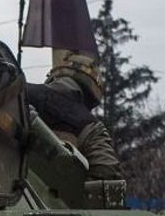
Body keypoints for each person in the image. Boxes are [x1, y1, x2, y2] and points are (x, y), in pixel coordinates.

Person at [25, 49, 123, 181]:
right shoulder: (90, 127)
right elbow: (107, 174)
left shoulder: (20, 92)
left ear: (54, 76)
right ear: (92, 95)